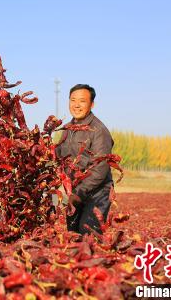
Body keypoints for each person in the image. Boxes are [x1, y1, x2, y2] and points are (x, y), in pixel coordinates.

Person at [56, 84, 114, 235]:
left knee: (88, 235)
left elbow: (100, 168)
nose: (76, 105)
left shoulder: (99, 131)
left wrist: (78, 193)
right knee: (73, 235)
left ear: (91, 104)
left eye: (82, 101)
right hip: (75, 194)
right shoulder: (68, 129)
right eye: (73, 100)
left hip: (97, 193)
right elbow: (58, 157)